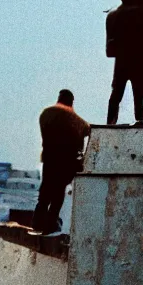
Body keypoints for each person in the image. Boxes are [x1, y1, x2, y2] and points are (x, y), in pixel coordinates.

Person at [32, 89, 91, 235]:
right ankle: (50, 224)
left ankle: (38, 223)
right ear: (71, 102)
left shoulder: (46, 114)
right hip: (66, 164)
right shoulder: (77, 121)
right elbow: (89, 131)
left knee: (45, 192)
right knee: (58, 195)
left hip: (50, 160)